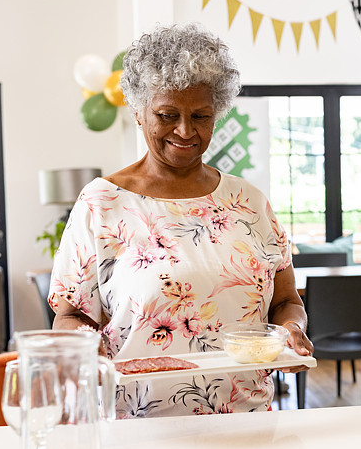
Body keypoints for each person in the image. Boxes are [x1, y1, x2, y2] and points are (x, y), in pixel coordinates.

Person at [48, 22, 312, 418]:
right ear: (138, 112)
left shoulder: (249, 202)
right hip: (139, 425)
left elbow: (286, 301)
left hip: (248, 421)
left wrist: (292, 331)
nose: (185, 131)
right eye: (167, 114)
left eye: (201, 116)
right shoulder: (102, 203)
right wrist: (81, 347)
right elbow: (71, 315)